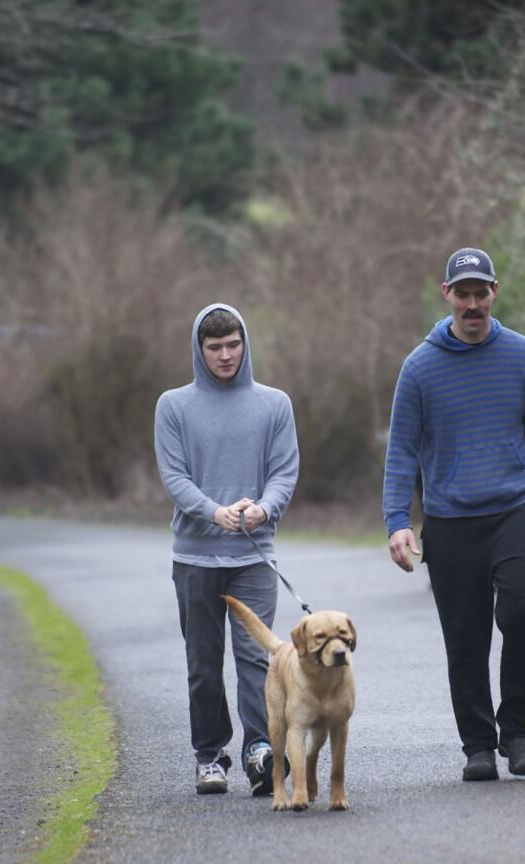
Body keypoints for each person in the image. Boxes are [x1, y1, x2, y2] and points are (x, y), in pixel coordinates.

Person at [382, 247, 525, 782]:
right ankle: (478, 745)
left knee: (520, 612)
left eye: (479, 293)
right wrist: (397, 521)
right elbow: (400, 451)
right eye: (461, 294)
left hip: (514, 511)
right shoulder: (419, 368)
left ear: (494, 293)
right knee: (465, 638)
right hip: (450, 522)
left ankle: (516, 732)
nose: (472, 304)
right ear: (447, 295)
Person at [154, 303, 300, 795]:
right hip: (195, 556)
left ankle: (261, 750)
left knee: (258, 659)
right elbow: (174, 476)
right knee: (203, 662)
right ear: (199, 349)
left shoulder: (274, 404)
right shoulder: (173, 406)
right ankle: (209, 754)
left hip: (254, 557)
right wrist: (215, 512)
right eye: (214, 347)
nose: (225, 355)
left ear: (245, 344)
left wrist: (263, 509)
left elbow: (284, 471)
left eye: (233, 345)